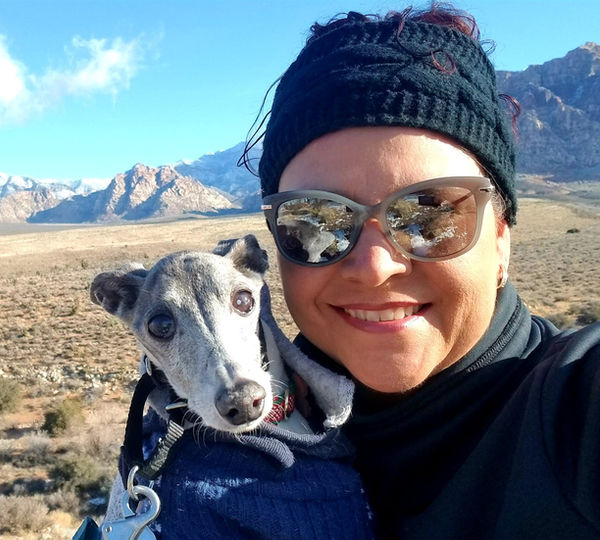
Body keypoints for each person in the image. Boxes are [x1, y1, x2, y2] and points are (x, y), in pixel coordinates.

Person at [252, 3, 600, 538]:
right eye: (316, 220)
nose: (373, 267)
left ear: (502, 236)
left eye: (430, 213)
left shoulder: (575, 408)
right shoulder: (227, 424)